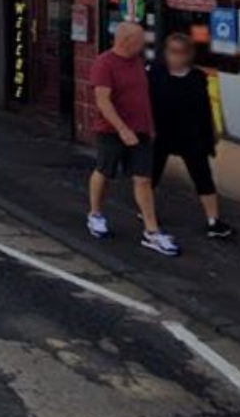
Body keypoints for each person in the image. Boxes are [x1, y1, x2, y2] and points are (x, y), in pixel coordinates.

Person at [87, 22, 180, 256]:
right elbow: (103, 101)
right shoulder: (104, 63)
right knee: (105, 171)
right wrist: (121, 129)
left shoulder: (137, 62)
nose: (144, 43)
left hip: (141, 130)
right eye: (140, 40)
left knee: (143, 179)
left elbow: (141, 96)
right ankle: (95, 214)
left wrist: (149, 126)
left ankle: (152, 231)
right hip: (112, 130)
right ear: (126, 40)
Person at [150, 33, 233, 239]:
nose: (177, 57)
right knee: (151, 175)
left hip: (191, 134)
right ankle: (148, 212)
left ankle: (213, 221)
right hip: (161, 132)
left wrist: (211, 131)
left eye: (182, 52)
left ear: (189, 55)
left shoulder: (197, 77)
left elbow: (206, 107)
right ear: (166, 53)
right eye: (173, 52)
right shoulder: (156, 74)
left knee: (202, 176)